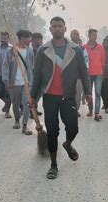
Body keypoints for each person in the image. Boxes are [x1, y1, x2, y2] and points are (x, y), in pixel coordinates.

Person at [31, 17, 92, 179]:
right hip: (50, 97)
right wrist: (32, 98)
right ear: (50, 30)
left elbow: (84, 72)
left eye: (60, 26)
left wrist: (88, 92)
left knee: (73, 128)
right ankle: (53, 165)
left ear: (65, 29)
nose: (57, 29)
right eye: (54, 26)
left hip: (68, 96)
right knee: (52, 132)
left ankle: (68, 144)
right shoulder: (42, 50)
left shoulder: (76, 50)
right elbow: (37, 76)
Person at [2, 29, 35, 135]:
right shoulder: (11, 51)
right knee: (15, 104)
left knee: (27, 104)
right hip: (14, 83)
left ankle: (25, 125)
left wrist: (32, 81)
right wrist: (6, 80)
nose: (30, 40)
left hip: (26, 83)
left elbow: (32, 67)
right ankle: (17, 120)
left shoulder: (29, 51)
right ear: (22, 38)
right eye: (28, 38)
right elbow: (5, 66)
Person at [85, 28, 105, 121]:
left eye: (96, 35)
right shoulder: (84, 47)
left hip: (98, 74)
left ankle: (97, 113)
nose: (95, 37)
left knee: (98, 93)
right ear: (88, 36)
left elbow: (103, 61)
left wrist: (102, 71)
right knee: (88, 94)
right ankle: (90, 110)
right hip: (88, 74)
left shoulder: (100, 47)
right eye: (93, 35)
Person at [70, 29, 89, 116]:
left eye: (77, 34)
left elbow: (86, 61)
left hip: (79, 76)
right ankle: (68, 110)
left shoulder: (82, 49)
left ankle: (75, 110)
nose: (76, 35)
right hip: (68, 76)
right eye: (74, 34)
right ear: (70, 36)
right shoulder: (66, 47)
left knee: (78, 95)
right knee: (68, 95)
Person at [0, 32, 13, 118]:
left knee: (7, 93)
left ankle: (7, 112)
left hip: (9, 75)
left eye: (5, 38)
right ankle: (6, 103)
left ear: (8, 39)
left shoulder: (12, 48)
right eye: (2, 38)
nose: (3, 40)